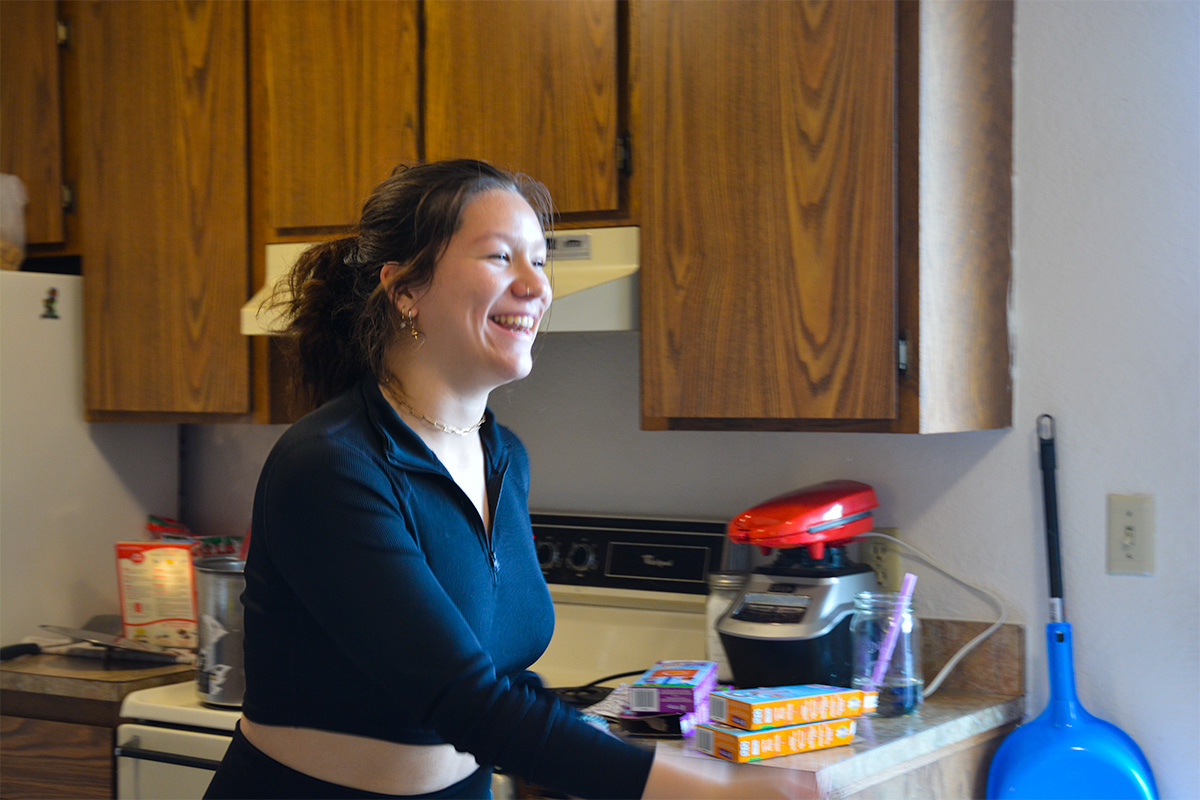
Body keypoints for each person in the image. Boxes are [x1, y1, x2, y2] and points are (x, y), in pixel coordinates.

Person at [204, 159, 809, 800]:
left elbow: (504, 684)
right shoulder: (331, 465)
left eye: (541, 262)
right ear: (405, 288)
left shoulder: (502, 456)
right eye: (500, 257)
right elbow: (467, 702)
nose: (536, 287)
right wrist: (713, 789)